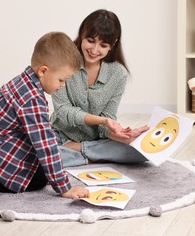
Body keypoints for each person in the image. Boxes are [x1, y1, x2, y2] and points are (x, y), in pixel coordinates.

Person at [0, 32, 89, 199]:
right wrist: (63, 187)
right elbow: (45, 145)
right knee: (35, 181)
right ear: (43, 71)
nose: (63, 85)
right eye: (61, 80)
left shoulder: (24, 81)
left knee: (40, 170)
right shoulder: (31, 99)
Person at [50, 9, 150, 167]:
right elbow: (63, 111)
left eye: (103, 45)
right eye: (90, 40)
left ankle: (76, 151)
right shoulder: (63, 62)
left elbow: (105, 125)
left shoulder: (118, 74)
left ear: (113, 44)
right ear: (82, 33)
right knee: (36, 152)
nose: (95, 50)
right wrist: (103, 121)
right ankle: (91, 156)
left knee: (140, 150)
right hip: (60, 136)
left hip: (96, 141)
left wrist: (121, 135)